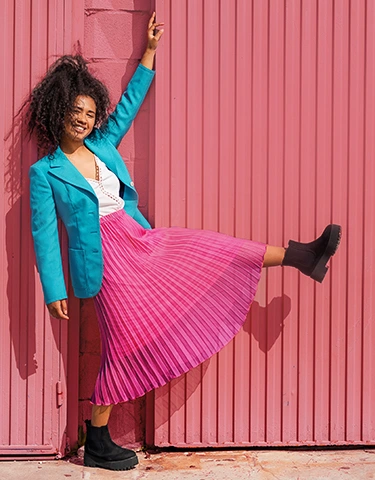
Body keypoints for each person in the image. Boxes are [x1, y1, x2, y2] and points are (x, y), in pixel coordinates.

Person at [27, 12, 341, 472]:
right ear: (59, 114)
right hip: (106, 264)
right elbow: (43, 236)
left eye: (90, 114)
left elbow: (129, 106)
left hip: (138, 240)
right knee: (122, 346)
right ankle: (97, 439)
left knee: (210, 248)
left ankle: (303, 256)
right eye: (75, 114)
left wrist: (149, 52)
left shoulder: (101, 145)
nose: (83, 120)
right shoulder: (45, 172)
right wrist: (54, 290)